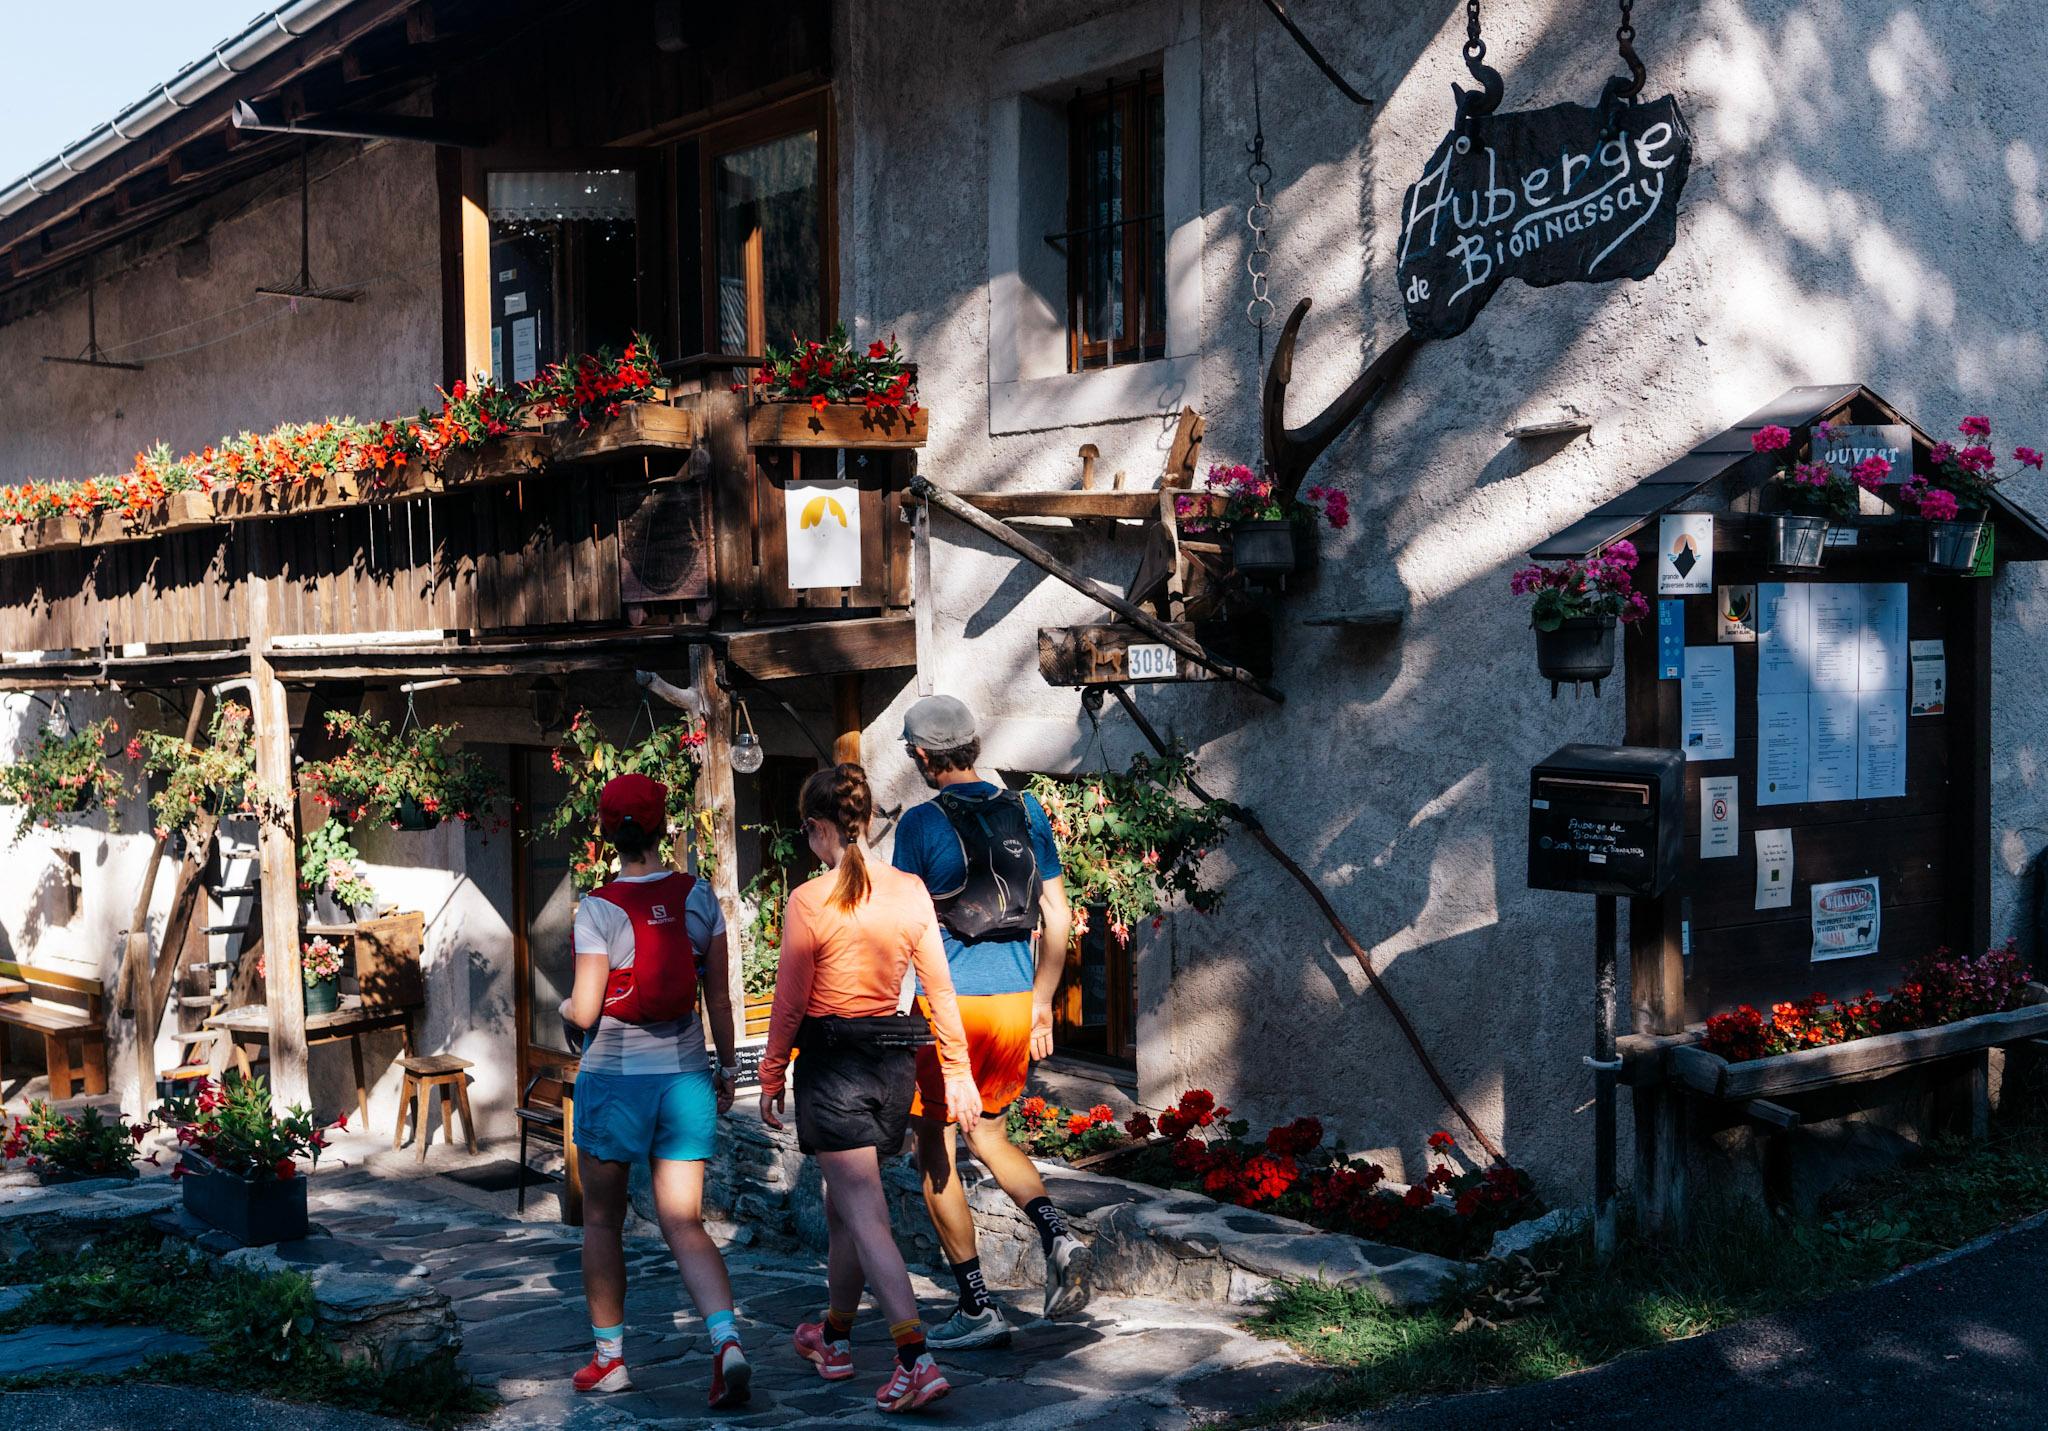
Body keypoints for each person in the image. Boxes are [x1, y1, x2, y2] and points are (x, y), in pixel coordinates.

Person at [758, 763, 982, 1414]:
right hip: (892, 1061)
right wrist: (959, 1071)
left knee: (863, 1210)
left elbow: (790, 1002)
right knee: (842, 1209)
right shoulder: (911, 890)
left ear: (821, 827)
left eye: (807, 830)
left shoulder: (809, 899)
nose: (808, 841)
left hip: (834, 1062)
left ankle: (915, 1356)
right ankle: (833, 1335)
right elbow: (939, 989)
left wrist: (771, 1072)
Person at [892, 694, 1087, 1351]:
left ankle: (976, 1306)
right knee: (993, 1134)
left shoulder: (919, 824)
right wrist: (1042, 999)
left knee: (936, 1148)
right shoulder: (1027, 810)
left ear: (922, 754)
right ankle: (1057, 1230)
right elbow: (1058, 914)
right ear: (972, 744)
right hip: (1011, 1002)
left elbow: (900, 926)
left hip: (945, 1009)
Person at [560, 772, 750, 1409]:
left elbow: (585, 1011)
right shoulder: (699, 897)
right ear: (665, 826)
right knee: (684, 1221)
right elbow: (720, 998)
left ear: (609, 833)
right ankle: (726, 1342)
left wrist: (564, 1005)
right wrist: (727, 1069)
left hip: (615, 1081)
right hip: (686, 1076)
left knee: (601, 1223)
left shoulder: (599, 908)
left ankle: (610, 1361)